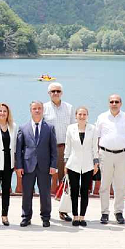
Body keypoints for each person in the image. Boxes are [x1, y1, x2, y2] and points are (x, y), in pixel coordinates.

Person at [16, 101, 57, 227]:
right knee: (27, 193)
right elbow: (19, 149)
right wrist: (19, 166)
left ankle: (45, 217)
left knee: (45, 193)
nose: (37, 111)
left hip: (45, 166)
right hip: (28, 166)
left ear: (43, 110)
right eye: (35, 108)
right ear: (31, 111)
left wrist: (53, 165)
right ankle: (26, 217)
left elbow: (53, 149)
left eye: (39, 108)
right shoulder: (23, 128)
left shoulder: (49, 128)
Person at [95, 94, 125, 225]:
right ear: (108, 103)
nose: (114, 103)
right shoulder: (102, 117)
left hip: (122, 155)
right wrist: (95, 157)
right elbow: (96, 138)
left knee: (120, 186)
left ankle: (118, 212)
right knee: (105, 185)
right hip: (105, 154)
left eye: (116, 101)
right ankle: (104, 212)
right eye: (111, 101)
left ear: (121, 103)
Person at [43, 82, 76, 222]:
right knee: (45, 181)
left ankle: (63, 211)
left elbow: (74, 129)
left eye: (58, 91)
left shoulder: (69, 108)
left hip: (64, 149)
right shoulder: (43, 108)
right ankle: (45, 211)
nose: (55, 93)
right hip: (47, 150)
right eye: (53, 91)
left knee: (65, 181)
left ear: (62, 93)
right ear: (48, 93)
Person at [64, 106, 99, 227]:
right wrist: (66, 163)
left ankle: (82, 217)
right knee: (74, 191)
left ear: (87, 116)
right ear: (76, 116)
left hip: (88, 164)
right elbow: (67, 147)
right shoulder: (70, 129)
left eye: (84, 114)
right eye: (80, 114)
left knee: (85, 191)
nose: (82, 116)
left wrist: (96, 163)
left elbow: (95, 148)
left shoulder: (93, 129)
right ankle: (75, 216)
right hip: (73, 164)